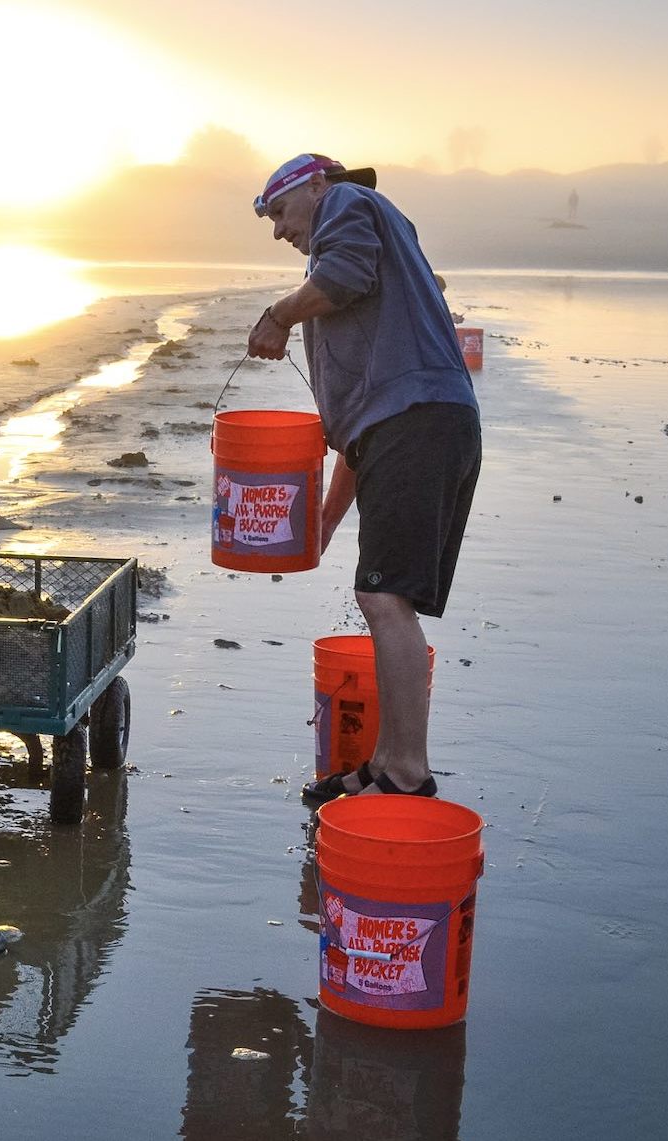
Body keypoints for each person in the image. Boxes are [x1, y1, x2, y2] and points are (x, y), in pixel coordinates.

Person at [245, 154, 482, 803]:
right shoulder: (350, 293)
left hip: (422, 425)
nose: (276, 230)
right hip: (411, 428)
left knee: (383, 598)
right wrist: (320, 522)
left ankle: (406, 772)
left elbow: (342, 275)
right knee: (382, 593)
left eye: (279, 212)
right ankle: (384, 762)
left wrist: (280, 314)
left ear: (316, 185)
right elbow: (357, 437)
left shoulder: (348, 207)